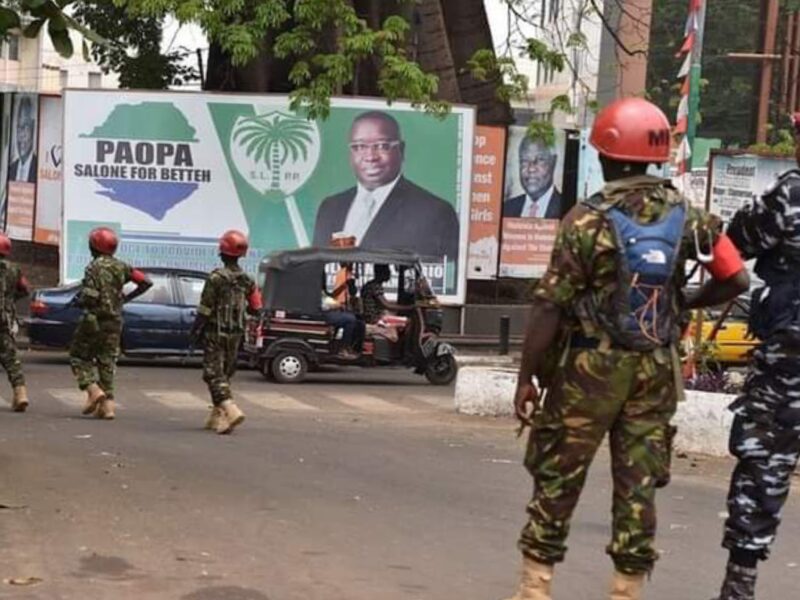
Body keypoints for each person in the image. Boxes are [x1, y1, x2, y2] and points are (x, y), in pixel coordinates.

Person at [503, 97, 750, 600]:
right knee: (637, 484)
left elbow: (549, 307)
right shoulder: (690, 216)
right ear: (656, 155)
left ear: (606, 155)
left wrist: (527, 377)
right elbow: (735, 277)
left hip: (587, 370)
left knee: (557, 475)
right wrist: (686, 303)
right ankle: (626, 590)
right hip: (655, 371)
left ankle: (535, 588)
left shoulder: (586, 220)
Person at [711, 113, 800, 600]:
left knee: (764, 462)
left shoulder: (790, 195)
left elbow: (734, 243)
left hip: (790, 360)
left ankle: (739, 586)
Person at [312, 111, 459, 261]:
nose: (370, 157)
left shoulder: (435, 212)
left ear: (401, 150)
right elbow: (317, 271)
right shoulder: (329, 208)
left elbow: (444, 276)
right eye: (360, 146)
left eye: (382, 146)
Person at [70, 227, 152, 420]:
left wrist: (80, 300)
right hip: (115, 321)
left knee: (78, 356)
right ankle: (108, 407)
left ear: (94, 246)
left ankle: (92, 388)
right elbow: (146, 282)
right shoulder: (122, 266)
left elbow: (90, 296)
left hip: (94, 319)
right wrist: (126, 298)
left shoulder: (93, 267)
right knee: (107, 361)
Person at [190, 230, 262, 435]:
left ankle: (230, 409)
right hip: (236, 334)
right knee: (225, 374)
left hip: (215, 332)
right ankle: (218, 418)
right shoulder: (248, 280)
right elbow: (256, 308)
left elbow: (205, 309)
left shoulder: (216, 278)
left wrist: (195, 330)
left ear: (223, 253)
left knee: (213, 373)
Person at [0, 234, 31, 412]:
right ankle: (20, 393)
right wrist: (11, 299)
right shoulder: (14, 269)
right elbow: (25, 288)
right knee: (10, 357)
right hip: (5, 319)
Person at [504, 136, 563, 219]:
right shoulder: (507, 208)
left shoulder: (566, 209)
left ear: (553, 162)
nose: (531, 169)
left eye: (539, 160)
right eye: (524, 161)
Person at [8, 96, 37, 184]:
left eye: (25, 128)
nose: (21, 136)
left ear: (33, 130)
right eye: (19, 128)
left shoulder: (38, 168)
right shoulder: (11, 168)